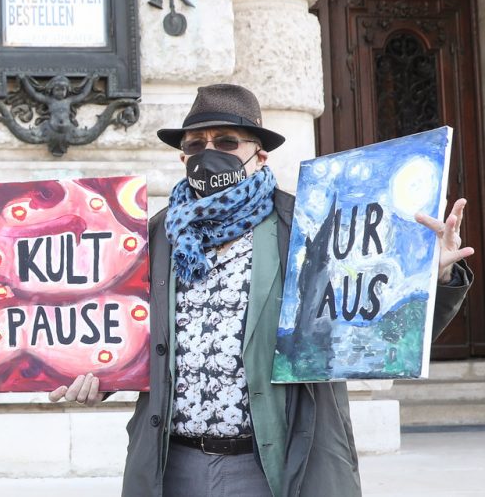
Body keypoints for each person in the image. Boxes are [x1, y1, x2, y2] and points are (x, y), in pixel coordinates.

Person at [47, 83, 474, 497]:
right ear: (182, 156)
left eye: (227, 141)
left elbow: (373, 325)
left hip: (274, 463)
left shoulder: (307, 227)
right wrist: (97, 377)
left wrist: (426, 278)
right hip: (172, 465)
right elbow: (127, 337)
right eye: (196, 144)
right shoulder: (153, 235)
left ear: (259, 155)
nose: (208, 153)